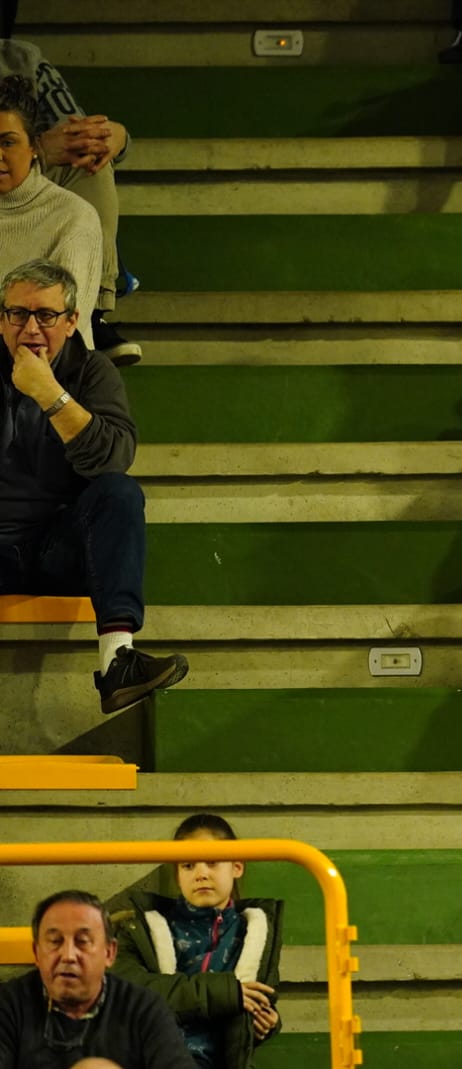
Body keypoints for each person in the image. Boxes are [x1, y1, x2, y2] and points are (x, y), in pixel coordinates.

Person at [0, 259, 188, 715]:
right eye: (17, 314)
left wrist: (50, 395)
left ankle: (118, 662)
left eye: (45, 315)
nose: (30, 328)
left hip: (58, 549)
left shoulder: (93, 372)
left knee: (120, 493)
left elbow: (111, 459)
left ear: (71, 322)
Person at [108, 815, 283, 1069]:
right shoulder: (142, 927)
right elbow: (130, 992)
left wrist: (267, 1023)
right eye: (188, 865)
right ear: (177, 876)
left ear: (237, 866)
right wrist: (225, 993)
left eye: (212, 862)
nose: (201, 874)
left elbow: (262, 1000)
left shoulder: (256, 933)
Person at [0, 42, 137, 362]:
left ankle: (91, 312)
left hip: (27, 168)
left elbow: (77, 129)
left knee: (89, 161)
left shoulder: (18, 57)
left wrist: (112, 136)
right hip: (28, 157)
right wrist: (42, 146)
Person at [0, 890, 190, 1068]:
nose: (68, 955)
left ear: (109, 953)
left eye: (82, 941)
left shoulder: (144, 1009)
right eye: (55, 942)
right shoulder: (9, 1005)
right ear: (37, 953)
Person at [0, 78, 101, 341]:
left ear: (34, 146)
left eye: (7, 143)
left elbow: (60, 335)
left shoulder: (72, 217)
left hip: (45, 373)